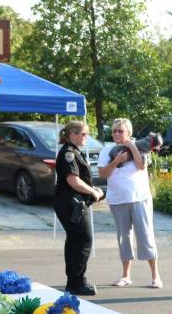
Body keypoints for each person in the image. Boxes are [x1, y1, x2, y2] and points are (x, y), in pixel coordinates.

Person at [97, 118, 161, 289]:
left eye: (121, 131)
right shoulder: (107, 150)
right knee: (123, 237)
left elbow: (141, 166)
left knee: (145, 236)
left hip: (140, 198)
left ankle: (155, 276)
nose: (117, 134)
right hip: (118, 199)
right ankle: (126, 275)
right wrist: (116, 161)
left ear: (129, 133)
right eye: (114, 131)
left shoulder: (140, 147)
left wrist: (130, 146)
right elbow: (103, 173)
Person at [56, 120, 103, 295]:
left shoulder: (74, 152)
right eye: (83, 134)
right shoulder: (68, 153)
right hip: (71, 202)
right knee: (83, 240)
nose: (86, 137)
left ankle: (74, 281)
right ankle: (77, 283)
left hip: (73, 202)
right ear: (72, 135)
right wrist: (94, 192)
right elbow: (73, 180)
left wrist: (93, 190)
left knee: (76, 240)